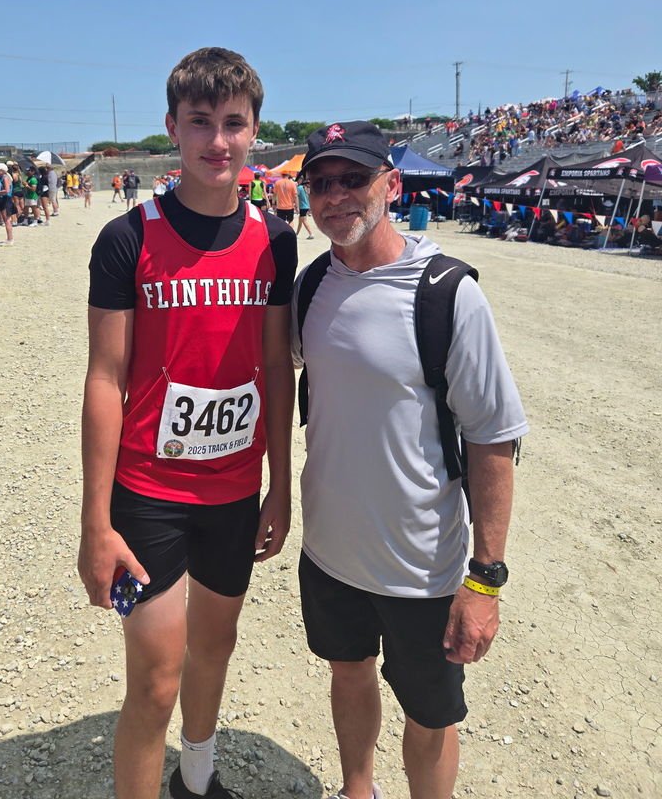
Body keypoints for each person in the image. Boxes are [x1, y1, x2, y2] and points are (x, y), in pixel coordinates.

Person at [78, 47, 298, 799]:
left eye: (234, 123)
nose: (218, 140)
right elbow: (105, 378)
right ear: (172, 127)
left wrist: (280, 487)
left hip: (234, 492)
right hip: (148, 493)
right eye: (200, 122)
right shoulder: (127, 239)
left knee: (215, 647)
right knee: (154, 678)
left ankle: (197, 780)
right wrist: (95, 522)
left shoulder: (275, 240)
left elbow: (276, 369)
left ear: (255, 130)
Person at [292, 121, 528, 799]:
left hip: (421, 568)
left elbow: (492, 438)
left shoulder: (448, 293)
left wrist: (485, 580)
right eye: (320, 182)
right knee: (348, 673)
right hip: (329, 552)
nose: (335, 196)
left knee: (429, 713)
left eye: (353, 179)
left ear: (392, 185)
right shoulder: (312, 287)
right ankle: (357, 789)